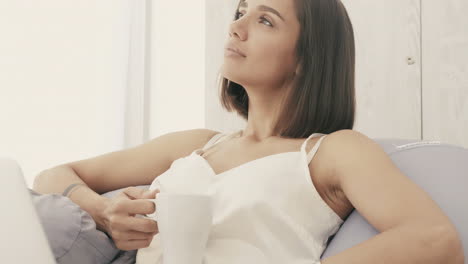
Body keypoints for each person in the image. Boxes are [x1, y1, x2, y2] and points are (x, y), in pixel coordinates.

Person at [33, 0, 464, 263]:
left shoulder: (330, 152)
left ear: (305, 57)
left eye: (265, 21)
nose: (235, 27)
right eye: (241, 11)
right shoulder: (198, 145)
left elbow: (434, 240)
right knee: (41, 216)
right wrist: (102, 213)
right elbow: (51, 176)